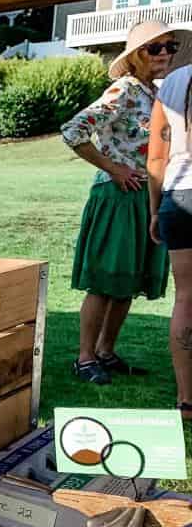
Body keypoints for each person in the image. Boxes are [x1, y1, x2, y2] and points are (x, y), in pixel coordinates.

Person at [61, 21, 183, 384]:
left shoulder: (154, 92)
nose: (164, 54)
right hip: (118, 197)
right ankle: (84, 358)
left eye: (169, 47)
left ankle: (106, 351)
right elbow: (73, 131)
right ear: (134, 57)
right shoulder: (125, 89)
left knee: (128, 280)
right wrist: (113, 168)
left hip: (143, 197)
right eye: (154, 48)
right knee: (105, 280)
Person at [148, 53, 192, 415]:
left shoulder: (173, 83)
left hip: (178, 195)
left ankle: (186, 400)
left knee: (186, 298)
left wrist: (153, 209)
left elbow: (156, 159)